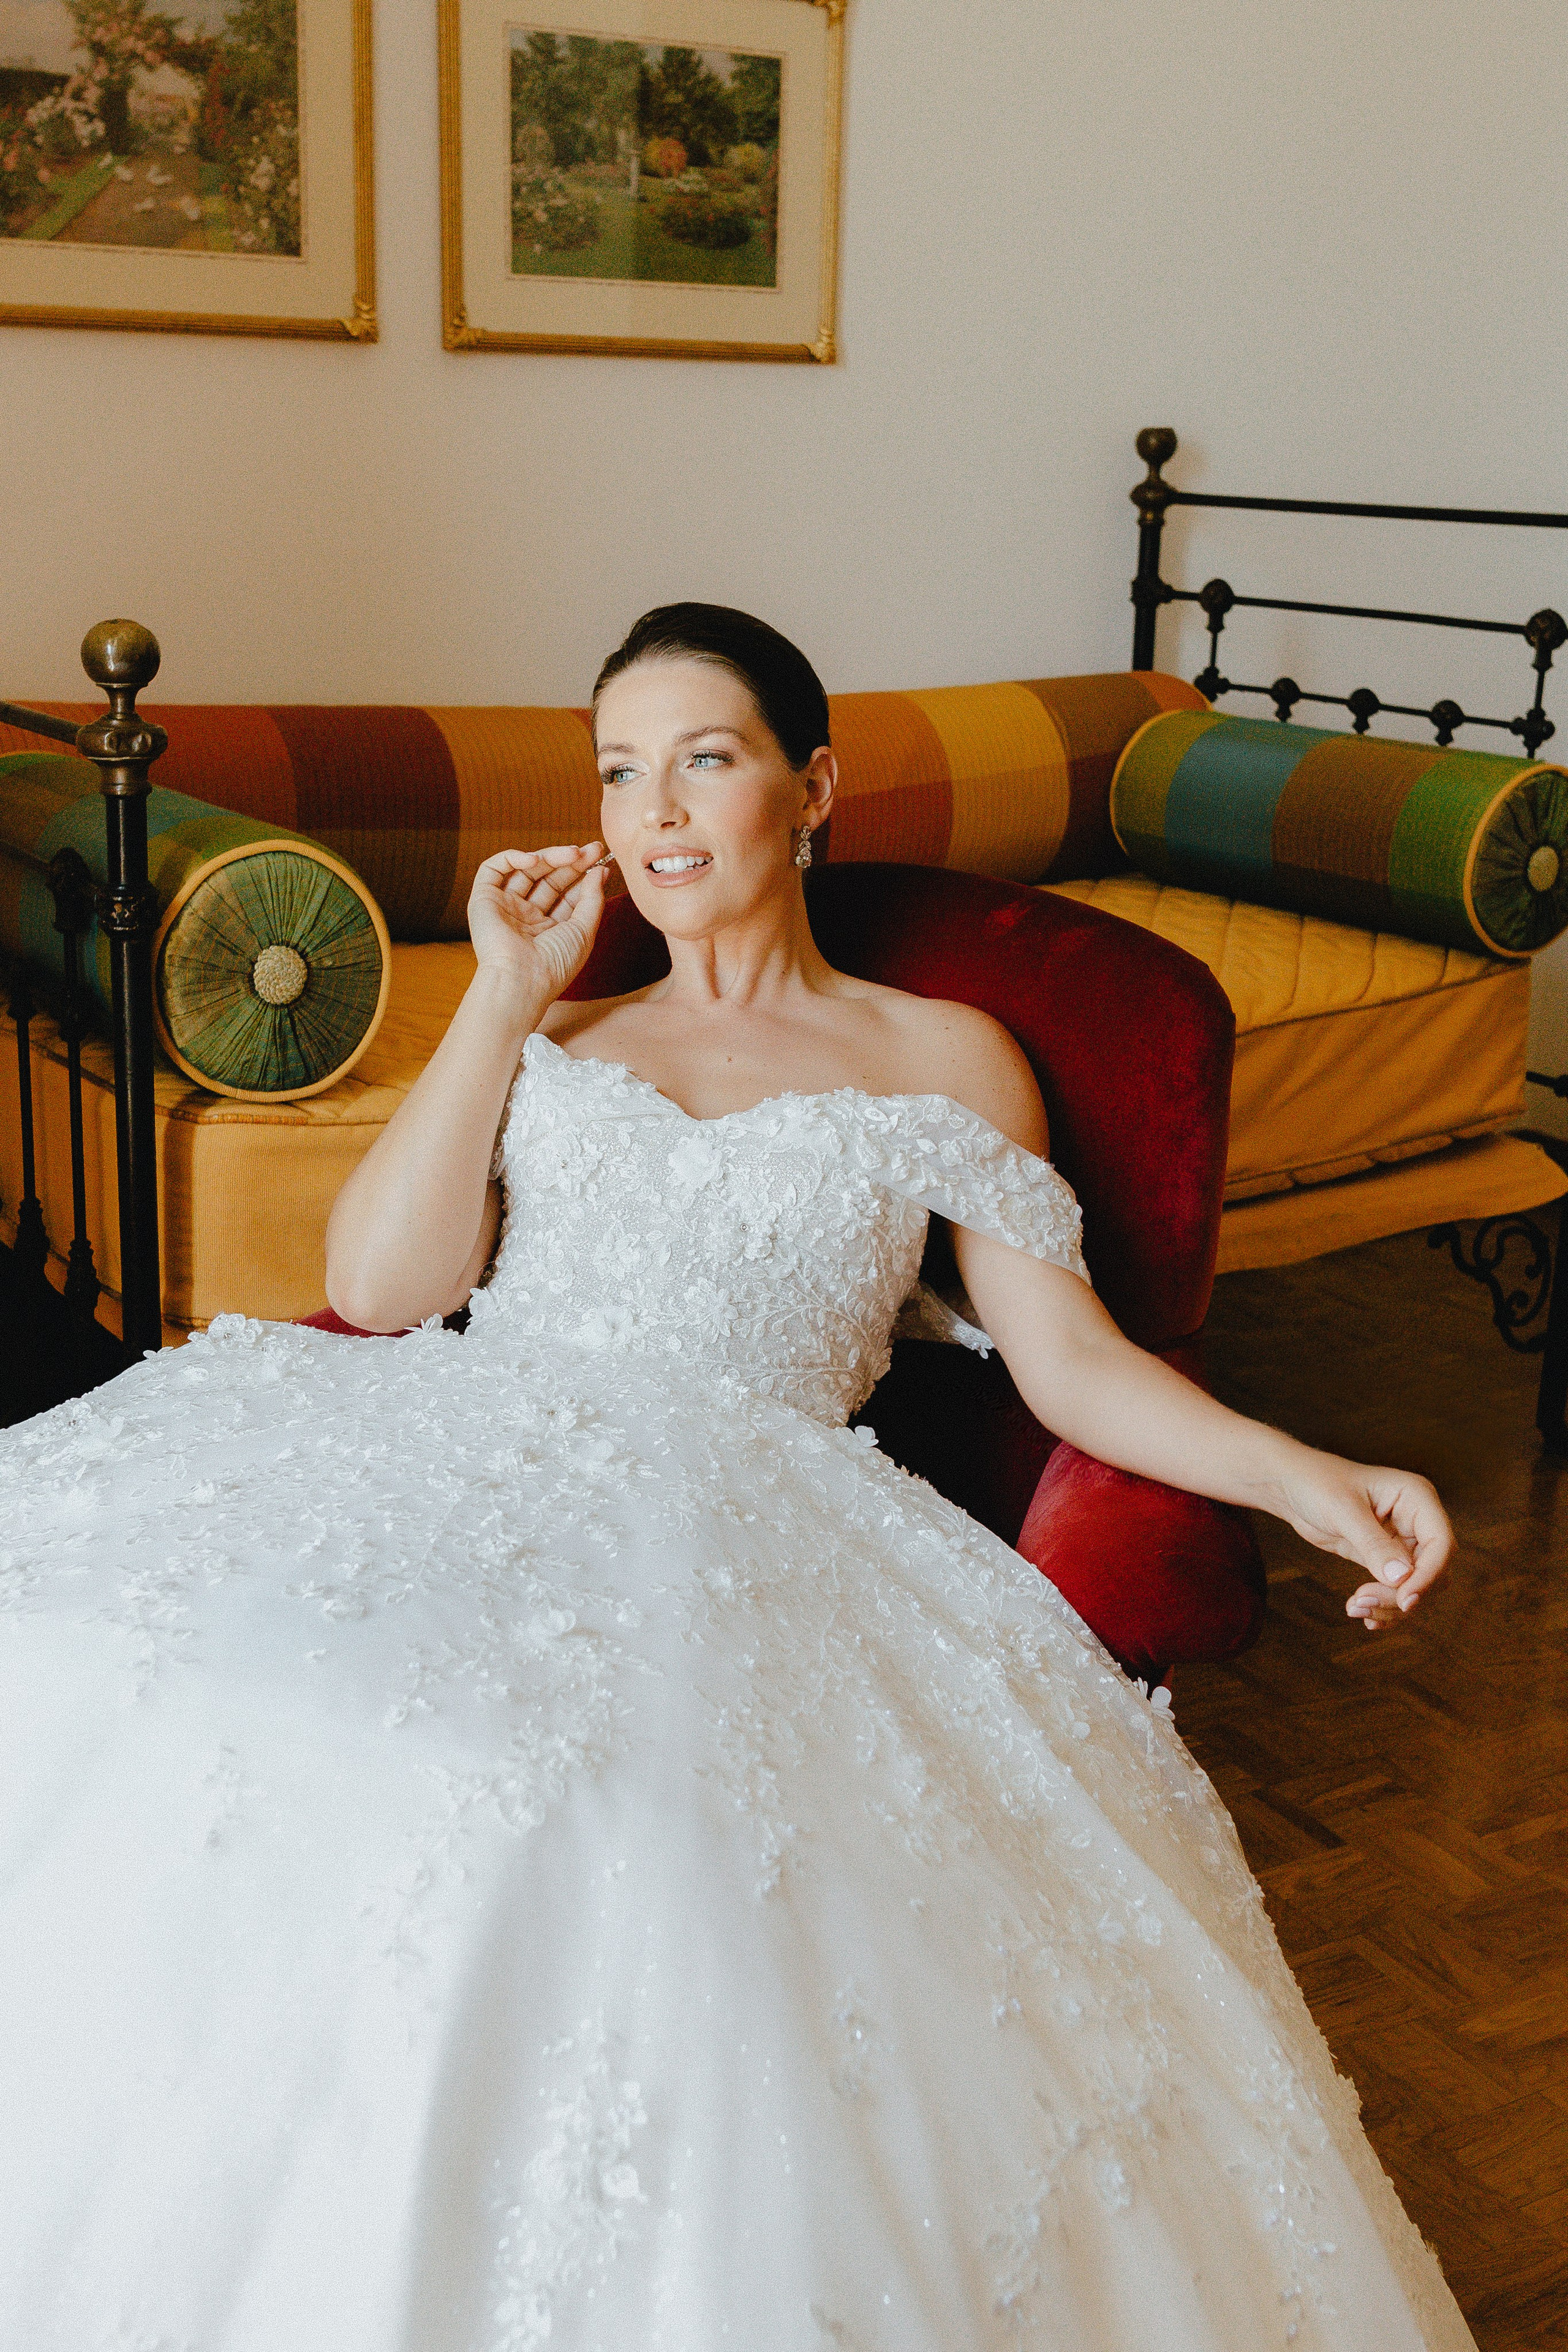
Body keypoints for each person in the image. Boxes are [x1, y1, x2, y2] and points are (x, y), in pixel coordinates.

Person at [0, 605, 1473, 2351]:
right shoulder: (575, 1040)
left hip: (736, 1509)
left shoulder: (943, 1057)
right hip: (465, 1445)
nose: (656, 811)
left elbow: (1070, 1363)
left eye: (705, 757)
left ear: (812, 786)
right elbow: (390, 1292)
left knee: (556, 1820)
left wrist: (1306, 1475)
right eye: (621, 772)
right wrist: (501, 1001)